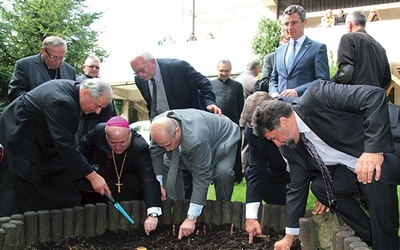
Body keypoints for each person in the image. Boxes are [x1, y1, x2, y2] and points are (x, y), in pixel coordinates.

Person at [252, 80, 400, 250]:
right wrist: (289, 236)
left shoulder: (317, 96)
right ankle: (371, 235)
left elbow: (373, 95)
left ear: (285, 122)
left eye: (275, 138)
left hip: (390, 141)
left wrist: (374, 149)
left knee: (373, 174)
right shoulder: (292, 148)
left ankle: (387, 244)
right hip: (356, 164)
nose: (278, 144)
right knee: (323, 188)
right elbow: (297, 187)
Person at [0, 78, 113, 217]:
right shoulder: (61, 101)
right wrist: (93, 177)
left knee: (58, 171)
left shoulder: (74, 94)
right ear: (86, 93)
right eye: (97, 105)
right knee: (25, 176)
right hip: (20, 129)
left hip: (41, 133)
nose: (97, 112)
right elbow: (65, 145)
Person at [150, 109, 240, 239]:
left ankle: (222, 213)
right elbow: (155, 154)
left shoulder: (196, 139)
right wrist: (158, 184)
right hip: (195, 140)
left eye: (169, 144)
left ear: (177, 131)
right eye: (162, 146)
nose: (167, 149)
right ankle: (177, 208)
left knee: (222, 172)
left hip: (223, 139)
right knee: (167, 163)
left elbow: (201, 176)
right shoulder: (158, 128)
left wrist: (191, 218)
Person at [79, 116, 162, 235]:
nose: (117, 147)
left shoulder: (140, 147)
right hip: (102, 181)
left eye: (122, 142)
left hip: (127, 187)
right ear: (106, 136)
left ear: (129, 135)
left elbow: (148, 178)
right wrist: (90, 174)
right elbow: (81, 151)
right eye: (112, 142)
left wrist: (153, 214)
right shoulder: (99, 132)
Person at [240, 92, 290, 244]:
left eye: (254, 125)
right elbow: (256, 169)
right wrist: (251, 216)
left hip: (306, 169)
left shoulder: (292, 118)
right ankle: (285, 208)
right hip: (279, 170)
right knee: (250, 173)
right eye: (250, 125)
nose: (252, 129)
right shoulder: (251, 132)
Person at [129, 51, 221, 121]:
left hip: (188, 121)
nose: (140, 75)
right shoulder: (139, 80)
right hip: (162, 125)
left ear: (153, 62)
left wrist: (209, 102)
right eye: (136, 72)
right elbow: (151, 105)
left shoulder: (177, 67)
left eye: (142, 70)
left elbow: (204, 83)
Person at [268, 5, 330, 99]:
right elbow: (273, 79)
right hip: (279, 107)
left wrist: (297, 91)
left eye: (294, 23)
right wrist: (274, 93)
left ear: (304, 22)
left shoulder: (317, 48)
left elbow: (322, 81)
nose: (289, 27)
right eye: (286, 24)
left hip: (304, 107)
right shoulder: (279, 51)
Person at [332, 10, 391, 89]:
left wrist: (330, 83)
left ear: (349, 24)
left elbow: (346, 72)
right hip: (375, 98)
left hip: (355, 97)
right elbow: (387, 80)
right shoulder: (380, 48)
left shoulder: (348, 38)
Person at [8, 36, 76, 102]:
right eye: (54, 57)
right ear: (43, 51)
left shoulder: (70, 71)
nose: (58, 61)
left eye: (61, 58)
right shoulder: (24, 65)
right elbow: (15, 94)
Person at [210, 59, 244, 182]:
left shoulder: (237, 86)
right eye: (221, 70)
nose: (224, 73)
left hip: (233, 125)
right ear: (217, 70)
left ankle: (237, 177)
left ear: (231, 70)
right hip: (215, 127)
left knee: (234, 150)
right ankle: (214, 177)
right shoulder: (210, 85)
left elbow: (240, 105)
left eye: (226, 70)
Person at [75, 55, 117, 144]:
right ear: (83, 67)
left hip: (103, 123)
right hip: (83, 125)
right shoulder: (77, 84)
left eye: (97, 67)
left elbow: (112, 108)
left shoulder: (104, 85)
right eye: (91, 66)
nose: (94, 69)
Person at [232, 56, 262, 173]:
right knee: (247, 146)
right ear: (257, 68)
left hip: (240, 116)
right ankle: (244, 170)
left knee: (242, 145)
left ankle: (242, 169)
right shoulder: (254, 81)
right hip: (250, 118)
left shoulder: (238, 78)